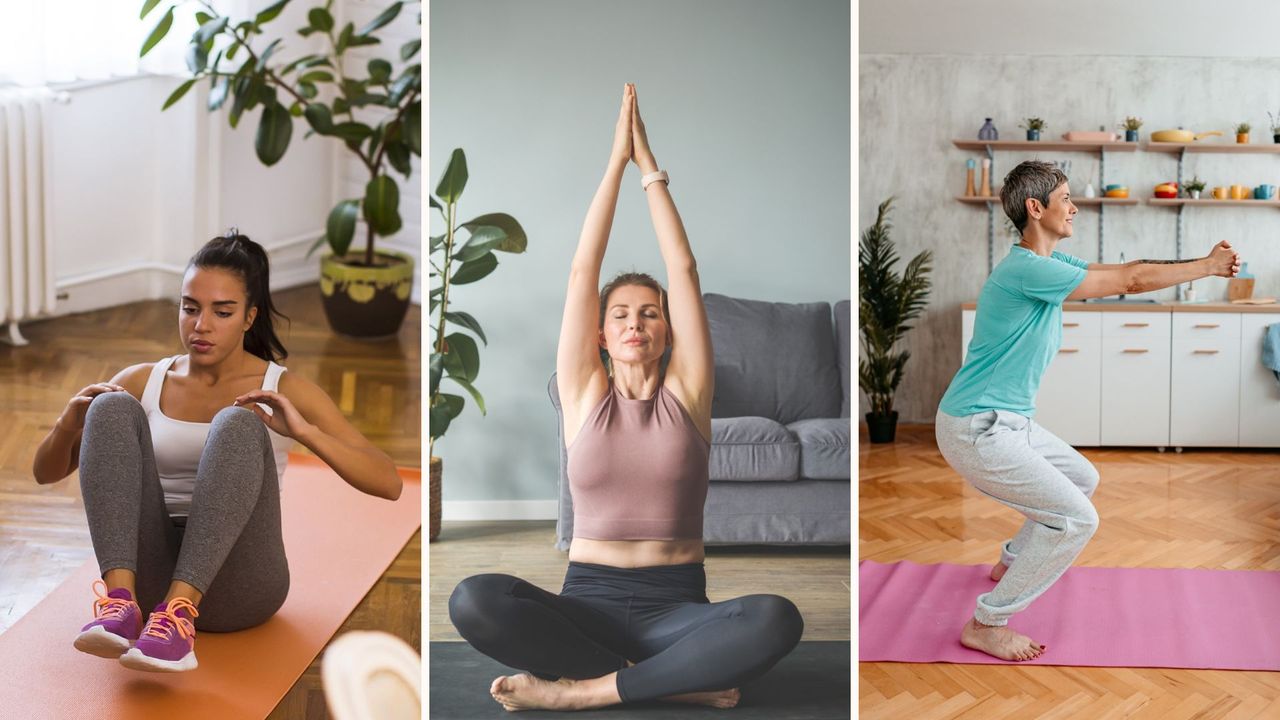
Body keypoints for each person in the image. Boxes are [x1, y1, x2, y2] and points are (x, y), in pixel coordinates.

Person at [447, 84, 804, 712]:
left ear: (668, 331)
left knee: (776, 618)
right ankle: (672, 681)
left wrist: (650, 172)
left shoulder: (689, 393)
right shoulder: (584, 395)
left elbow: (684, 269)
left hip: (677, 608)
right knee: (472, 598)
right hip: (586, 605)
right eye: (620, 315)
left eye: (649, 313)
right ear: (602, 335)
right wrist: (615, 163)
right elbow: (583, 272)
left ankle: (584, 692)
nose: (635, 322)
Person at [32, 232, 403, 673]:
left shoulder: (283, 389)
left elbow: (390, 483)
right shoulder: (143, 380)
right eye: (190, 308)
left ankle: (179, 617)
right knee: (109, 406)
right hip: (151, 581)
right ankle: (120, 605)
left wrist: (304, 432)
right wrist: (70, 422)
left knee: (238, 421)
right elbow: (44, 473)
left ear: (249, 317)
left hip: (239, 588)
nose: (200, 325)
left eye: (221, 312)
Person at [935, 160, 1241, 661]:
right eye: (1066, 198)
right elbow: (1134, 280)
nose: (1074, 207)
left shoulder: (1050, 266)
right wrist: (1207, 267)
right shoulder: (1025, 269)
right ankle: (988, 622)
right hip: (978, 427)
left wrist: (1197, 259)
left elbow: (1127, 269)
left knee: (1082, 480)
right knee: (1077, 520)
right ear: (1036, 209)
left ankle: (1011, 561)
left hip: (1008, 422)